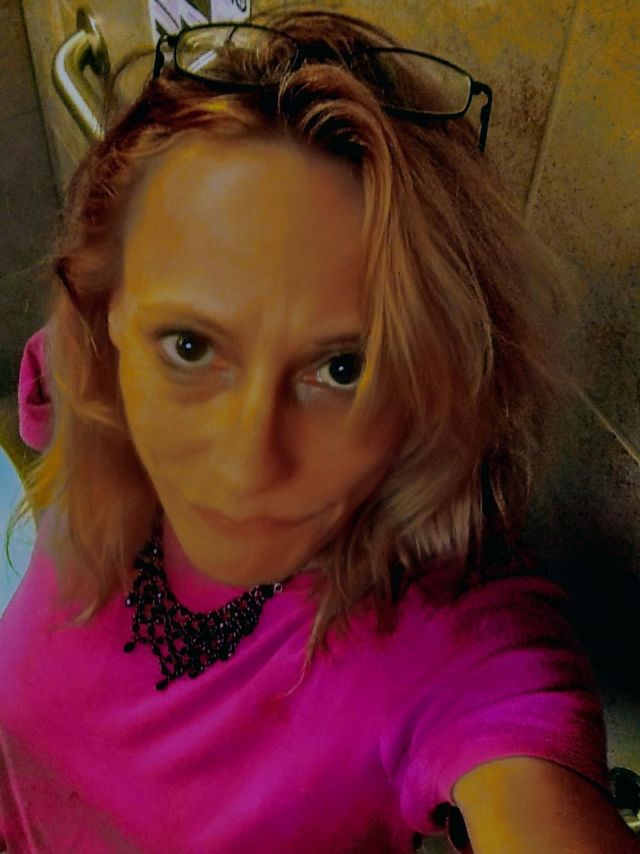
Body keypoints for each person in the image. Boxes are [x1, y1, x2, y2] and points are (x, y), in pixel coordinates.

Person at [1, 6, 638, 853]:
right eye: (192, 346)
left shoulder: (447, 644)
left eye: (343, 369)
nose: (244, 465)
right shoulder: (87, 387)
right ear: (105, 312)